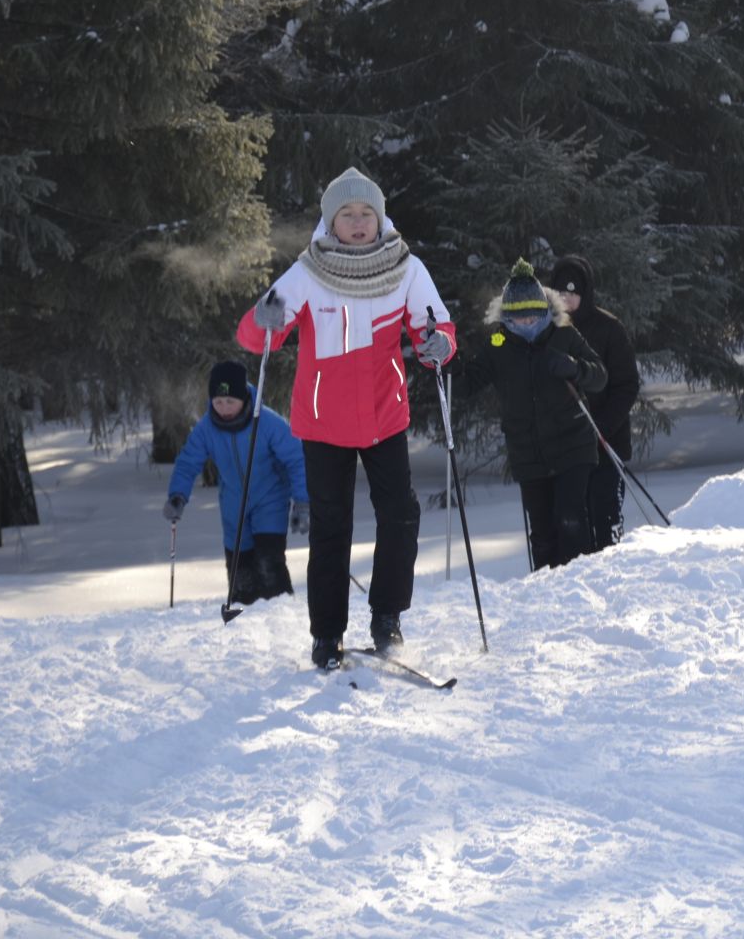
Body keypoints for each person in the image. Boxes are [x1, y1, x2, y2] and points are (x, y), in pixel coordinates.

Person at [238, 167, 456, 671]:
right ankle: (327, 635)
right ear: (330, 222)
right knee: (331, 529)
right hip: (323, 423)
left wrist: (438, 343)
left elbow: (436, 326)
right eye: (347, 215)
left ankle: (386, 617)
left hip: (385, 417)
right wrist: (262, 321)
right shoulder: (308, 272)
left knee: (400, 516)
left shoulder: (405, 268)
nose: (357, 223)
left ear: (379, 219)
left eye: (365, 214)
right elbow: (255, 336)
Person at [457, 260, 608, 570]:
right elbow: (467, 383)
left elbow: (600, 376)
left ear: (545, 311)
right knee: (542, 532)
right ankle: (544, 590)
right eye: (518, 318)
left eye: (533, 316)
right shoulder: (499, 342)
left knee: (571, 520)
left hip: (573, 446)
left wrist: (575, 368)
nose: (526, 324)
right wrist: (447, 365)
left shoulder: (563, 333)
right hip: (528, 453)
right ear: (506, 317)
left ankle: (581, 583)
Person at [164, 359, 309, 603]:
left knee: (267, 562)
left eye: (230, 401)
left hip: (270, 500)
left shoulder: (267, 422)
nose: (224, 407)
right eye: (218, 401)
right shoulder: (207, 428)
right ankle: (241, 617)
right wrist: (177, 495)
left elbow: (296, 459)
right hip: (233, 506)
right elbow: (188, 462)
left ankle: (280, 608)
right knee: (240, 570)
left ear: (243, 398)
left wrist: (303, 502)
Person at [546, 254, 639, 547]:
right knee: (571, 526)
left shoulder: (609, 328)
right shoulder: (547, 331)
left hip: (606, 445)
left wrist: (601, 428)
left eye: (574, 293)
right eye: (562, 292)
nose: (568, 299)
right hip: (566, 451)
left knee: (605, 518)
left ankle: (611, 573)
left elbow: (626, 385)